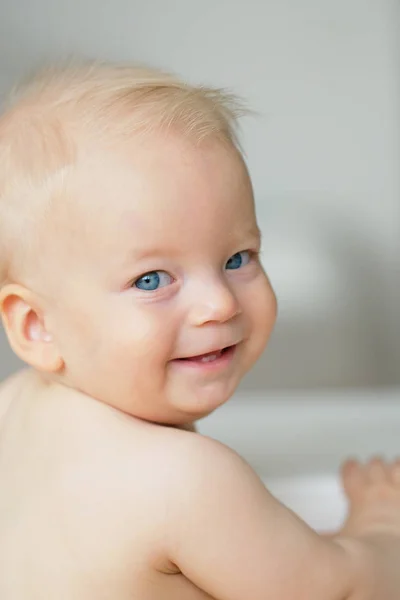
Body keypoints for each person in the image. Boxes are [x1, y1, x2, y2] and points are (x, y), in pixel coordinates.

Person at [0, 60, 399, 600]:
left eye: (238, 257)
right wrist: (379, 527)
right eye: (152, 278)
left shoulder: (14, 410)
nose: (218, 303)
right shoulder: (190, 482)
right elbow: (343, 591)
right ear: (37, 326)